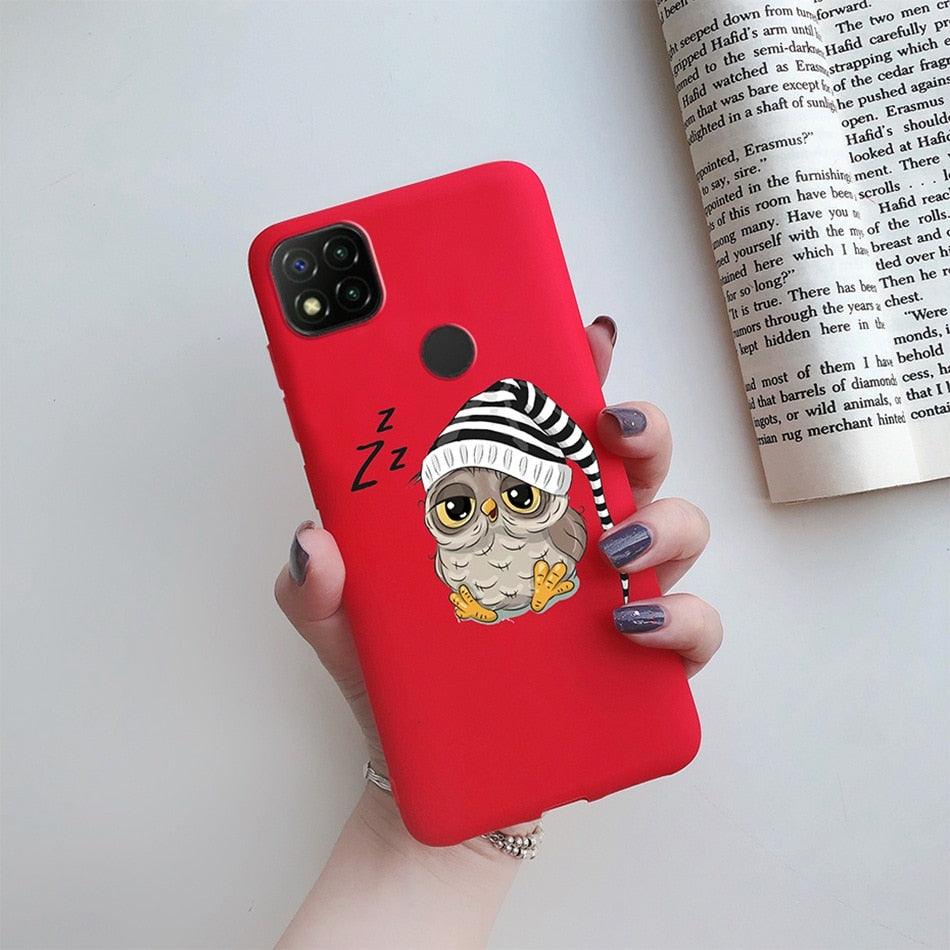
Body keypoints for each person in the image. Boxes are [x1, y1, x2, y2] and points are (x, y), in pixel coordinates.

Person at [272, 317, 722, 949]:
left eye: (519, 497)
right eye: (457, 507)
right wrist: (446, 814)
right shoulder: (452, 563)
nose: (487, 515)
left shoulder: (561, 531)